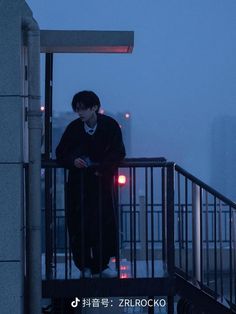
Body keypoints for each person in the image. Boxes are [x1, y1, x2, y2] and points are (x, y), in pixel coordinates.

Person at [56, 90, 126, 278]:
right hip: (79, 185)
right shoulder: (74, 128)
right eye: (77, 109)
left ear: (94, 107)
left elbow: (118, 152)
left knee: (103, 223)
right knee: (79, 225)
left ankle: (101, 264)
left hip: (101, 183)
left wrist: (101, 168)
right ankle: (85, 265)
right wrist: (74, 161)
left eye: (83, 109)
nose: (80, 113)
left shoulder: (109, 126)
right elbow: (61, 153)